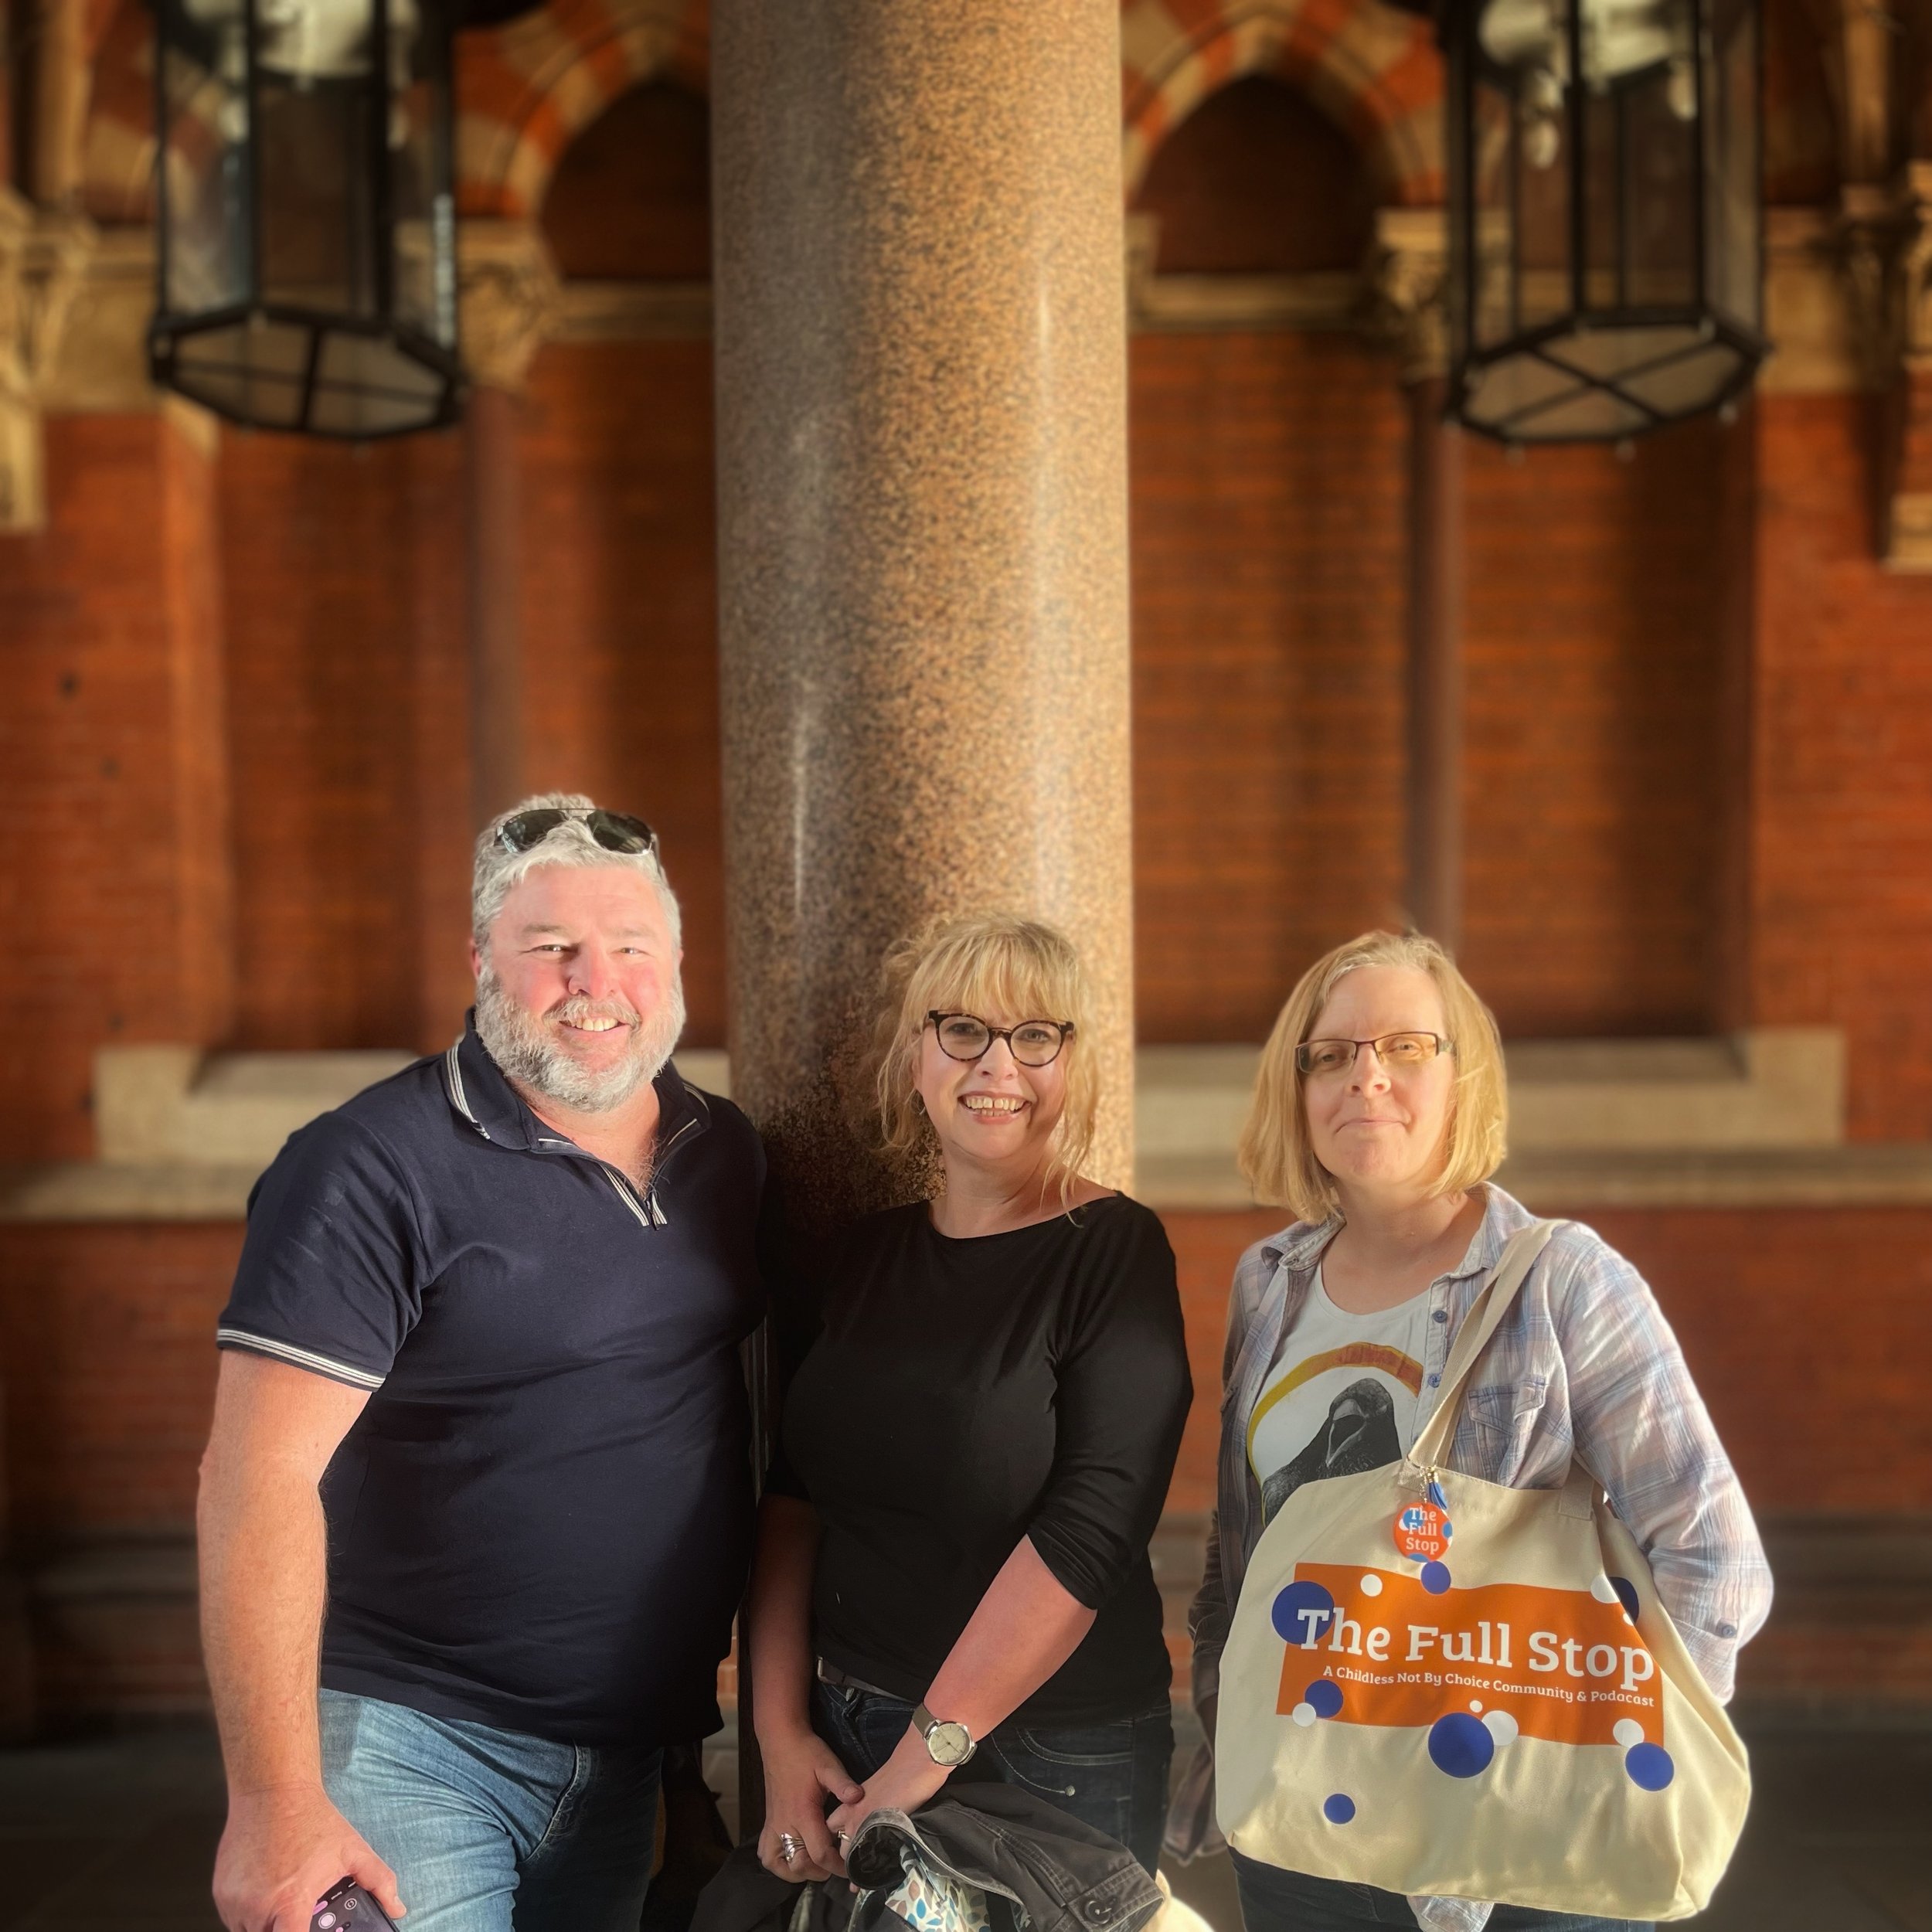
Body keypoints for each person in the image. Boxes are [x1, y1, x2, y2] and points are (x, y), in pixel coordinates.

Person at [198, 793, 770, 1932]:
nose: (596, 983)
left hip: (626, 1765)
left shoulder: (727, 1151)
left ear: (676, 964)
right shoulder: (366, 1166)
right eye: (551, 948)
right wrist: (271, 1803)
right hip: (406, 1750)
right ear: (479, 960)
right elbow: (255, 1479)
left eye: (630, 948)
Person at [1183, 930, 1771, 1932]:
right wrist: (1227, 1725)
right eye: (1332, 1053)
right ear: (1298, 1086)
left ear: (1465, 1078)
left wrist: (1618, 1763)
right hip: (1301, 1826)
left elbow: (1716, 1558)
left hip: (1516, 1850)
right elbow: (1241, 1549)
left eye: (1406, 1047)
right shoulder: (1269, 1281)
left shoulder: (1563, 1280)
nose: (1366, 1076)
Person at [745, 914, 1192, 1882]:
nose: (998, 1064)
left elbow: (1091, 1530)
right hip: (844, 1732)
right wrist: (778, 1736)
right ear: (916, 1057)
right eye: (963, 1031)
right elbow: (791, 1499)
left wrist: (923, 1758)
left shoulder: (1113, 1251)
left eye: (1035, 1036)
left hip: (1051, 1753)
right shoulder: (865, 1255)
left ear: (1071, 1066)